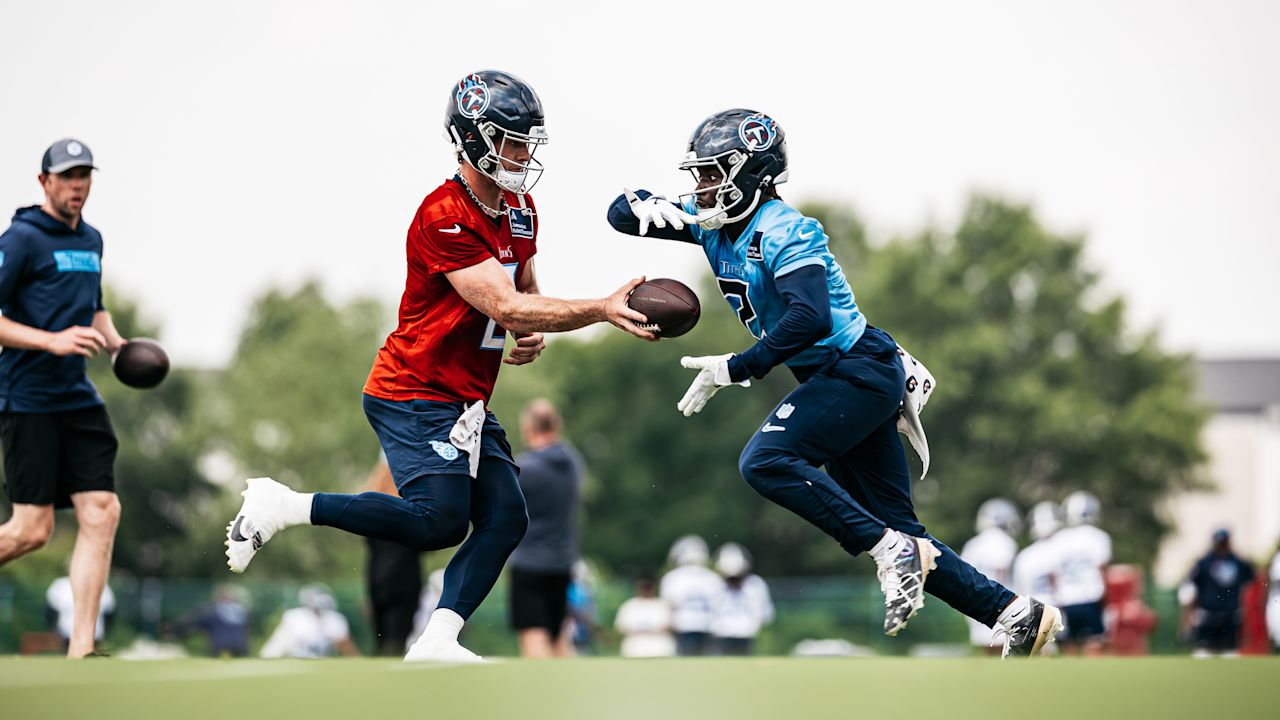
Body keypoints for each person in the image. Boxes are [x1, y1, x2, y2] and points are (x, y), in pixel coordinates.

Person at [224, 69, 656, 663]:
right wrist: (600, 308)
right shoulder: (443, 215)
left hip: (465, 399)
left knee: (506, 517)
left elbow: (522, 291)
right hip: (414, 389)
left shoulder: (522, 208)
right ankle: (288, 505)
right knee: (440, 523)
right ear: (474, 139)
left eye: (529, 139)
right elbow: (500, 301)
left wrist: (528, 332)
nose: (523, 153)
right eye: (511, 139)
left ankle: (437, 640)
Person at [608, 109, 1060, 657]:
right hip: (845, 377)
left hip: (856, 369)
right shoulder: (712, 222)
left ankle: (888, 550)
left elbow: (811, 318)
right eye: (697, 175)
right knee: (900, 528)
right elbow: (620, 215)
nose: (700, 189)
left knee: (765, 462)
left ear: (751, 172)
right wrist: (640, 203)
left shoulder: (784, 228)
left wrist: (738, 366)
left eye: (711, 174)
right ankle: (1015, 614)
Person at [0, 138, 127, 658]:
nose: (77, 185)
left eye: (84, 176)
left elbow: (94, 309)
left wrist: (118, 344)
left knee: (102, 510)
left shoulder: (93, 239)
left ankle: (81, 648)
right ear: (44, 182)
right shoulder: (22, 239)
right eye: (67, 176)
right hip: (27, 396)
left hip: (77, 395)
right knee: (32, 530)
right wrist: (50, 339)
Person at [507, 398, 584, 658]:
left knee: (533, 631)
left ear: (528, 427)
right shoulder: (573, 464)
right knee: (558, 631)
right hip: (562, 561)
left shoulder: (524, 468)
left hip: (529, 561)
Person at [360, 457, 423, 656]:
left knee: (381, 639)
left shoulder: (371, 513)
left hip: (377, 579)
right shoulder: (410, 514)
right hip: (404, 579)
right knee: (396, 641)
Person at [1052, 490, 1112, 655]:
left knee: (1069, 643)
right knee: (1095, 641)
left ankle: (1070, 679)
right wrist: (1108, 598)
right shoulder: (1098, 537)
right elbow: (1102, 569)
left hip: (1066, 599)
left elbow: (1054, 574)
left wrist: (1057, 597)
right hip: (1091, 597)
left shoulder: (1059, 538)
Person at [1181, 528, 1255, 657]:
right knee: (1203, 652)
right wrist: (1189, 614)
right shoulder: (1204, 563)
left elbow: (1250, 579)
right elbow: (1192, 586)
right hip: (1208, 613)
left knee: (1230, 652)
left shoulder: (1238, 562)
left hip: (1230, 613)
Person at [959, 498, 1020, 655]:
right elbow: (1001, 569)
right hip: (997, 601)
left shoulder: (972, 544)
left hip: (973, 600)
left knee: (987, 649)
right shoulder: (1004, 541)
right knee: (1004, 649)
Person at [659, 534, 725, 656]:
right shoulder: (713, 578)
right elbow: (720, 606)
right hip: (708, 626)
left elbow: (669, 605)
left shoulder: (672, 578)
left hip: (684, 626)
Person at [260, 583, 359, 659]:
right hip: (293, 659)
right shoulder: (295, 617)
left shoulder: (334, 618)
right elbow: (279, 645)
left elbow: (344, 645)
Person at [708, 543, 774, 656]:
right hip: (721, 635)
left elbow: (764, 615)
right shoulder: (714, 584)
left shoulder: (754, 585)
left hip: (746, 635)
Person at [166, 584, 251, 657]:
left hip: (220, 649)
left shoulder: (211, 610)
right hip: (242, 649)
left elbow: (191, 622)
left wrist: (172, 630)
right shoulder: (243, 610)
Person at [1012, 501, 1063, 613]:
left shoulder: (1024, 555)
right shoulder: (1059, 550)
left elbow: (1020, 589)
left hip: (1030, 609)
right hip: (1054, 607)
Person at [46, 574, 115, 651]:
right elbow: (50, 611)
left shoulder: (102, 584)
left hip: (94, 634)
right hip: (68, 633)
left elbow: (109, 612)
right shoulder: (60, 584)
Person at [614, 576, 676, 658]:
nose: (645, 591)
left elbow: (670, 625)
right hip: (634, 649)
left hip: (660, 649)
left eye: (648, 587)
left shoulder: (662, 605)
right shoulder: (629, 605)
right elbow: (621, 627)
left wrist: (651, 631)